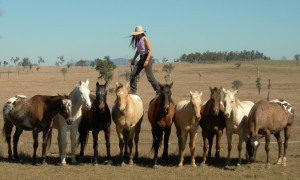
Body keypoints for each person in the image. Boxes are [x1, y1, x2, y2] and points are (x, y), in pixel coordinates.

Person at [129, 25, 160, 95]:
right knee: (133, 74)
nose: (136, 35)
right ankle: (133, 90)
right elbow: (138, 51)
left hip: (147, 57)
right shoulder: (138, 40)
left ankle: (158, 90)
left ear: (141, 33)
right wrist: (133, 60)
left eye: (137, 34)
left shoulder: (145, 39)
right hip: (141, 58)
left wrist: (147, 60)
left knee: (150, 76)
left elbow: (150, 50)